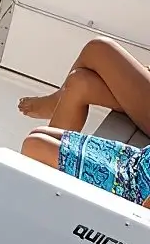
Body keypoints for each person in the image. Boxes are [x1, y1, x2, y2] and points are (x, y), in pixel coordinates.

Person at [19, 37, 150, 207]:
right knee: (79, 83)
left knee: (35, 145)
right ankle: (42, 198)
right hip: (137, 163)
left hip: (136, 187)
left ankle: (36, 208)